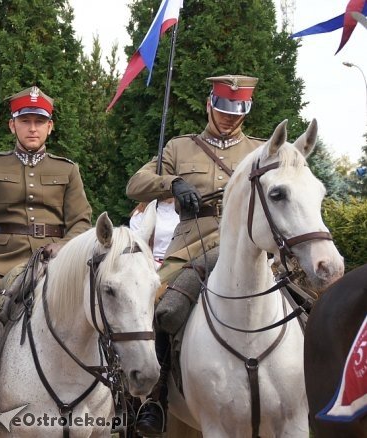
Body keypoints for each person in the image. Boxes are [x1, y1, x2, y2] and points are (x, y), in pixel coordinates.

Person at [126, 75, 263, 436]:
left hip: (248, 245)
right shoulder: (180, 148)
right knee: (156, 304)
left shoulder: (260, 150)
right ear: (209, 104)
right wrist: (171, 183)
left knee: (305, 300)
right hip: (192, 245)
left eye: (238, 110)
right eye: (223, 108)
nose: (230, 117)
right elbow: (135, 184)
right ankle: (154, 399)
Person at [0, 85, 92, 437]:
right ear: (11, 125)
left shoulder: (67, 170)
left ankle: (110, 401)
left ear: (50, 127)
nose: (33, 128)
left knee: (98, 316)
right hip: (1, 264)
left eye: (39, 121)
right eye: (25, 121)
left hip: (53, 265)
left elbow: (81, 222)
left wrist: (64, 246)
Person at [129, 198, 179, 269]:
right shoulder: (140, 215)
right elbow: (139, 250)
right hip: (156, 267)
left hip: (185, 260)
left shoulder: (185, 206)